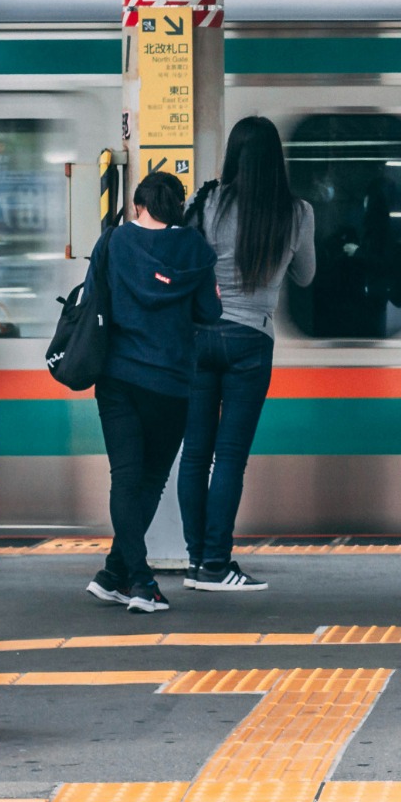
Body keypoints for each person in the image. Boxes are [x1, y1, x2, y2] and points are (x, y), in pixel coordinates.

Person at [178, 117, 317, 593]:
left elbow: (188, 260)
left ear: (234, 154)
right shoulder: (296, 213)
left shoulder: (208, 201)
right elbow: (306, 277)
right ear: (277, 158)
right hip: (251, 342)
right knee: (229, 458)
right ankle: (218, 564)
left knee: (194, 454)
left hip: (198, 338)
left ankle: (198, 562)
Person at [86, 171, 221, 614]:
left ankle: (114, 575)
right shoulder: (196, 249)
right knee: (149, 480)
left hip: (117, 379)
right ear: (177, 208)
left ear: (138, 205)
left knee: (126, 478)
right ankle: (139, 582)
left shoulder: (113, 242)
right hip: (171, 383)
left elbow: (92, 298)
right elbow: (209, 311)